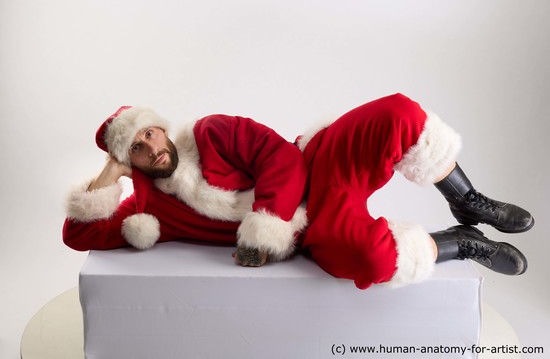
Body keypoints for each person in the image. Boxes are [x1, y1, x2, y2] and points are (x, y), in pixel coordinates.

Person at [63, 94, 534, 290]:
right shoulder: (150, 212)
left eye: (149, 134)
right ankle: (461, 242)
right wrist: (109, 171)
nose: (149, 147)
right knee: (374, 261)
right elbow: (76, 235)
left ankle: (467, 199)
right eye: (135, 149)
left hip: (315, 163)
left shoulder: (210, 132)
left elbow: (279, 158)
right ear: (132, 162)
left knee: (399, 113)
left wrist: (262, 232)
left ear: (162, 130)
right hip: (311, 228)